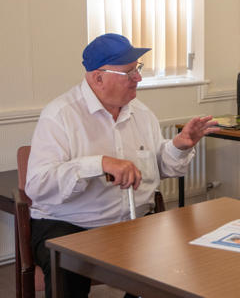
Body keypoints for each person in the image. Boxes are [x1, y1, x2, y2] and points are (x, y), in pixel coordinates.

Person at [25, 33, 219, 298]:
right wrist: (99, 164)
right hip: (70, 224)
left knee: (182, 265)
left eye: (137, 69)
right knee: (68, 271)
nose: (138, 78)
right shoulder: (60, 116)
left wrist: (179, 146)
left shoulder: (140, 112)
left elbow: (161, 167)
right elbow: (37, 185)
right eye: (129, 72)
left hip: (133, 224)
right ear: (98, 78)